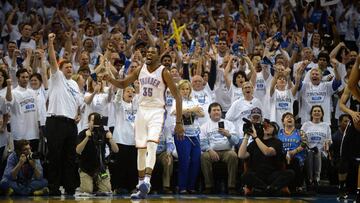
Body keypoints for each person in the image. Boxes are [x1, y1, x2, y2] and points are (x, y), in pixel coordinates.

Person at [104, 46, 184, 199]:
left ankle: (147, 180)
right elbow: (122, 84)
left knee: (152, 144)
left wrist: (179, 122)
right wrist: (111, 80)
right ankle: (140, 186)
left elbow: (178, 97)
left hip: (156, 110)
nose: (149, 54)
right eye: (147, 52)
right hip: (141, 110)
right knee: (141, 149)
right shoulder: (140, 69)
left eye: (153, 52)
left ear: (158, 56)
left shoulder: (164, 72)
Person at [46, 33, 84, 195]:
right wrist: (50, 42)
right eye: (66, 67)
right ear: (60, 70)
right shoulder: (57, 77)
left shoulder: (75, 84)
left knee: (70, 157)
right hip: (55, 122)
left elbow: (79, 103)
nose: (69, 68)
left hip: (70, 124)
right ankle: (54, 187)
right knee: (55, 156)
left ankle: (70, 187)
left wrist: (79, 114)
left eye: (70, 67)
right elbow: (53, 60)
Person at [238, 112, 294, 195]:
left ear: (274, 130)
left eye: (270, 126)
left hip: (273, 175)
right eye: (265, 126)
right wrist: (247, 135)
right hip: (258, 175)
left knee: (290, 173)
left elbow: (268, 152)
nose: (267, 127)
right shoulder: (255, 143)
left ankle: (264, 189)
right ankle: (269, 189)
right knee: (245, 176)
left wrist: (255, 137)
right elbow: (241, 155)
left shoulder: (277, 142)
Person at [171, 79, 204, 194]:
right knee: (184, 160)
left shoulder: (194, 100)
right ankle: (182, 186)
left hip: (195, 134)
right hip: (182, 134)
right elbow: (174, 112)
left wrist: (190, 111)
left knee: (196, 160)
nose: (185, 91)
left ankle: (191, 186)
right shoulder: (176, 100)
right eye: (183, 89)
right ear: (179, 90)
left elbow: (202, 113)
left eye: (187, 89)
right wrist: (191, 110)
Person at [200, 102, 239, 194]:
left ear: (221, 112)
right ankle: (209, 186)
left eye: (218, 110)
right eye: (214, 110)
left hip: (227, 151)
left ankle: (231, 187)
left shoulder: (229, 124)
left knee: (233, 155)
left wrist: (228, 135)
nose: (216, 112)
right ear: (209, 113)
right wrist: (210, 150)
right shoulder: (204, 126)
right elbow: (202, 143)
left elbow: (236, 141)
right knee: (204, 157)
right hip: (212, 151)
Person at [76, 112, 119, 194]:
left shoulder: (104, 133)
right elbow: (78, 151)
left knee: (106, 190)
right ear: (88, 122)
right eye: (93, 120)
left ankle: (97, 184)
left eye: (97, 120)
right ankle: (91, 184)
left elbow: (116, 150)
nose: (95, 122)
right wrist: (87, 137)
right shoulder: (83, 133)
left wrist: (110, 139)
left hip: (101, 168)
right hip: (86, 168)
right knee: (87, 191)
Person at [6, 69, 39, 150]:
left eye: (27, 77)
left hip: (34, 133)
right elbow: (9, 101)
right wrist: (8, 87)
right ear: (18, 78)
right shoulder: (13, 92)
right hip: (20, 135)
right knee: (21, 160)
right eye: (23, 77)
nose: (25, 79)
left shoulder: (33, 92)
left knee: (33, 159)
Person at [301, 105, 332, 189]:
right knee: (311, 152)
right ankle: (311, 180)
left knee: (317, 152)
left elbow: (330, 140)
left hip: (322, 151)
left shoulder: (326, 125)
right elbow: (301, 138)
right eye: (314, 111)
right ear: (311, 114)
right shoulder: (306, 125)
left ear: (322, 114)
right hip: (308, 150)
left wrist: (327, 142)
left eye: (319, 111)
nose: (317, 112)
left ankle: (316, 179)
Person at [338, 86, 360, 200]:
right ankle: (342, 188)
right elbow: (341, 104)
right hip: (353, 125)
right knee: (344, 158)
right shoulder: (351, 85)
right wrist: (352, 113)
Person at [277, 112, 308, 193]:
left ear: (294, 121)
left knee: (294, 161)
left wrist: (294, 151)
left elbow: (305, 143)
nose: (290, 118)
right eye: (287, 117)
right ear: (283, 121)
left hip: (297, 156)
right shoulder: (278, 133)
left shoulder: (300, 132)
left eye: (291, 117)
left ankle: (298, 185)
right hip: (282, 157)